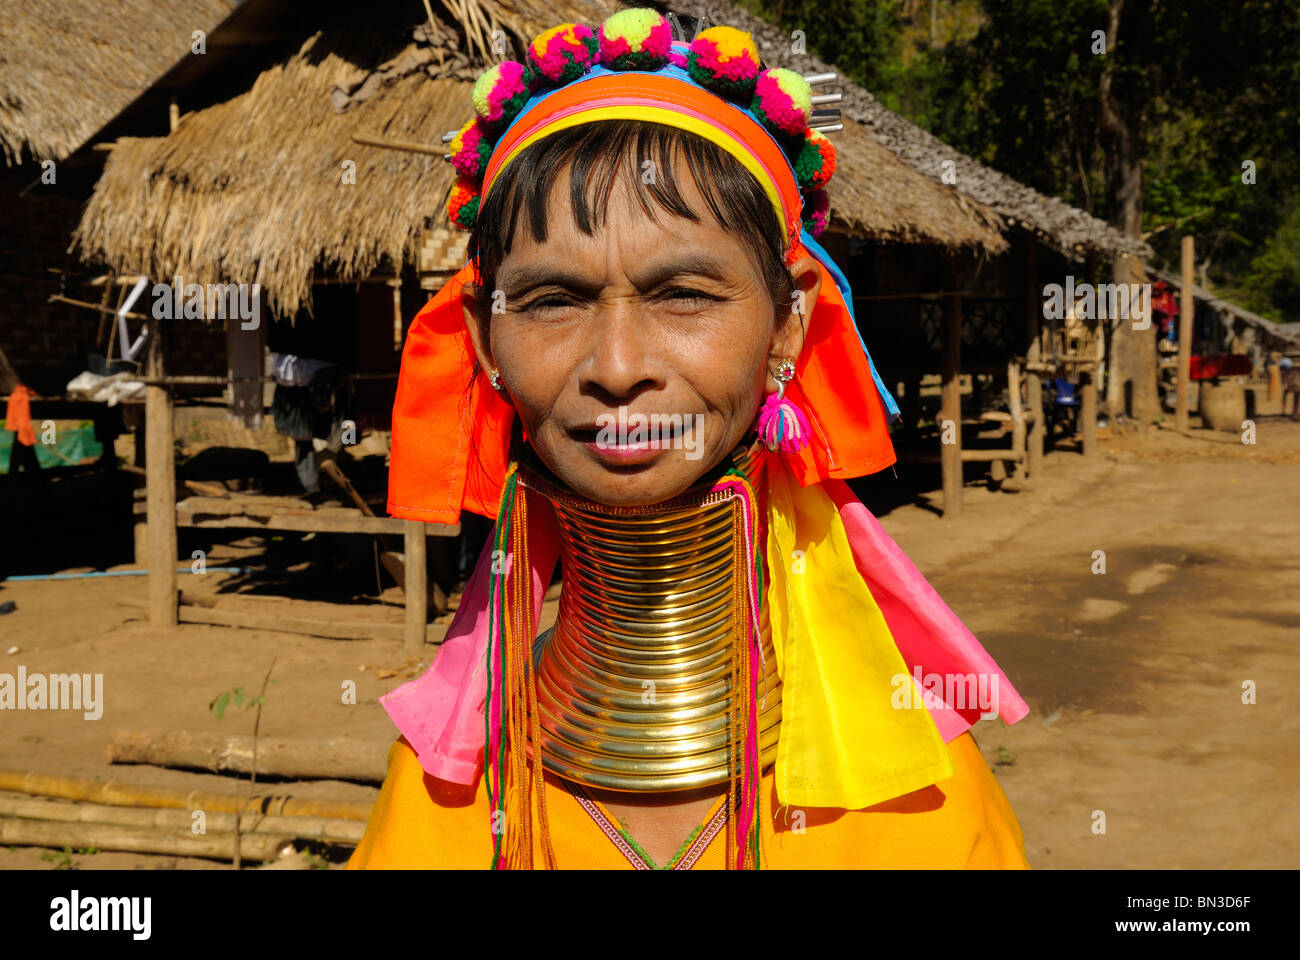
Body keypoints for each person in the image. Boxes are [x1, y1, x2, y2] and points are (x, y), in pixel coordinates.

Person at [349, 10, 1030, 870]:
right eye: (554, 301)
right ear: (485, 345)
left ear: (788, 324)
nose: (618, 366)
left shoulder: (920, 810)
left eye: (685, 295)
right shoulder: (444, 799)